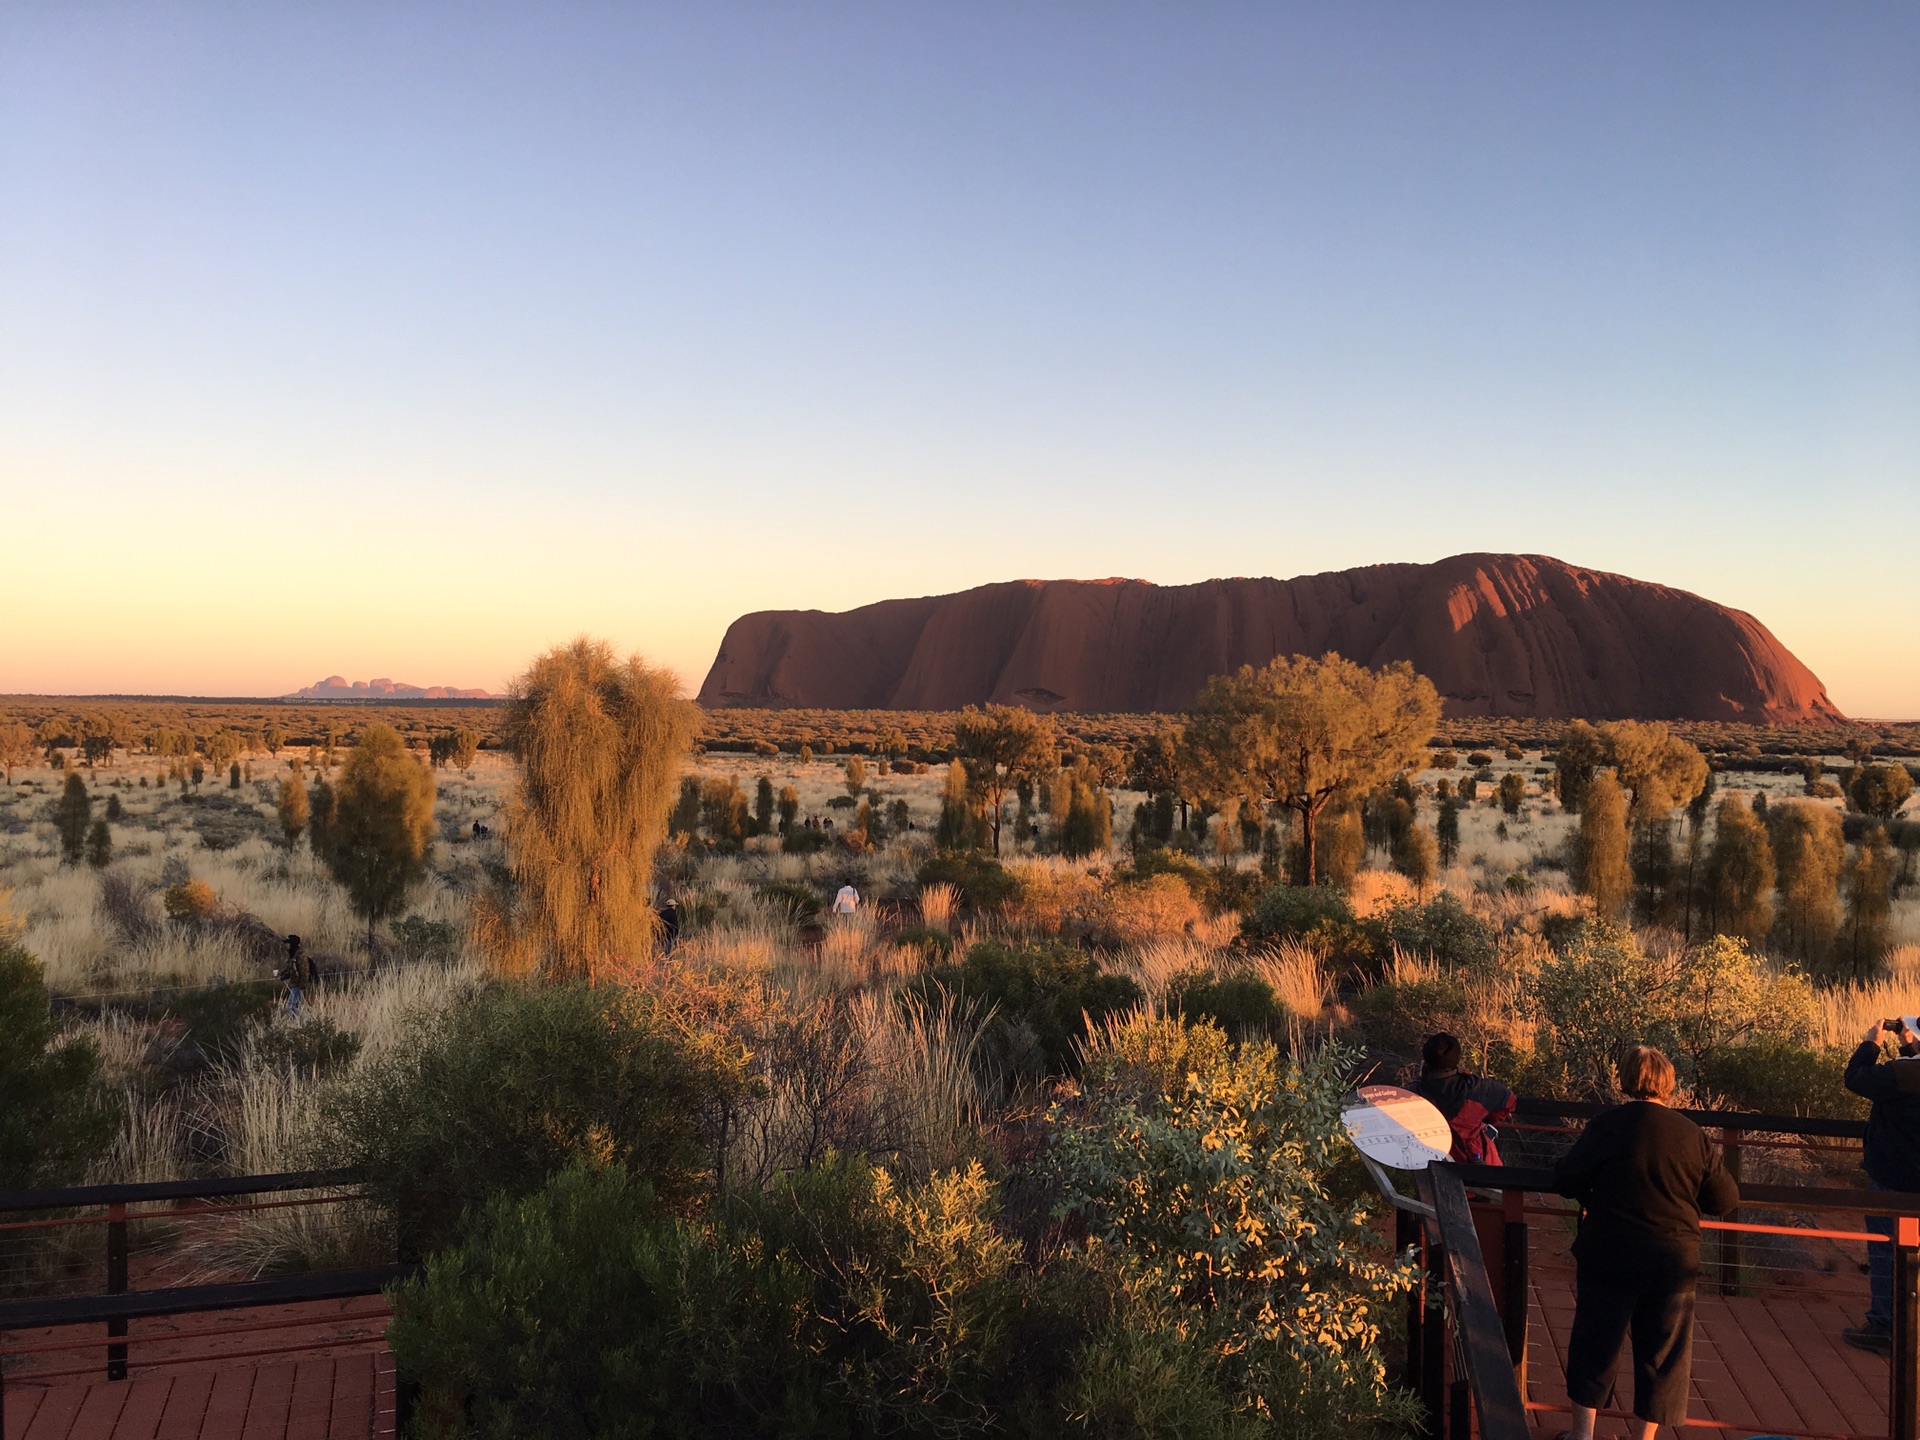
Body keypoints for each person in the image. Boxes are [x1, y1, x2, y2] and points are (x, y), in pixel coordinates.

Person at [1552, 1046, 1738, 1440]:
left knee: (1595, 1345)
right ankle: (1644, 1439)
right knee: (1663, 1356)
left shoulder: (1606, 1125)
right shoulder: (1693, 1136)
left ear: (1626, 1079)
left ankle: (1582, 1436)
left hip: (1608, 1253)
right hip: (1672, 1261)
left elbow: (1565, 1180)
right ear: (1669, 1084)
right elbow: (1724, 1200)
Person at [1842, 1018, 1920, 1354]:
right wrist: (1907, 1044)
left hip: (1893, 1179)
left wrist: (1871, 1043)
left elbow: (1856, 1078)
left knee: (1886, 1250)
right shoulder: (1908, 1071)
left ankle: (1884, 1326)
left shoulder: (1903, 1075)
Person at [1414, 1032, 1515, 1165]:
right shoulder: (1477, 1088)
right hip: (1478, 1165)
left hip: (1432, 1165)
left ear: (1426, 1060)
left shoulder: (1414, 1094)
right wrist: (1486, 1120)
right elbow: (1510, 1102)